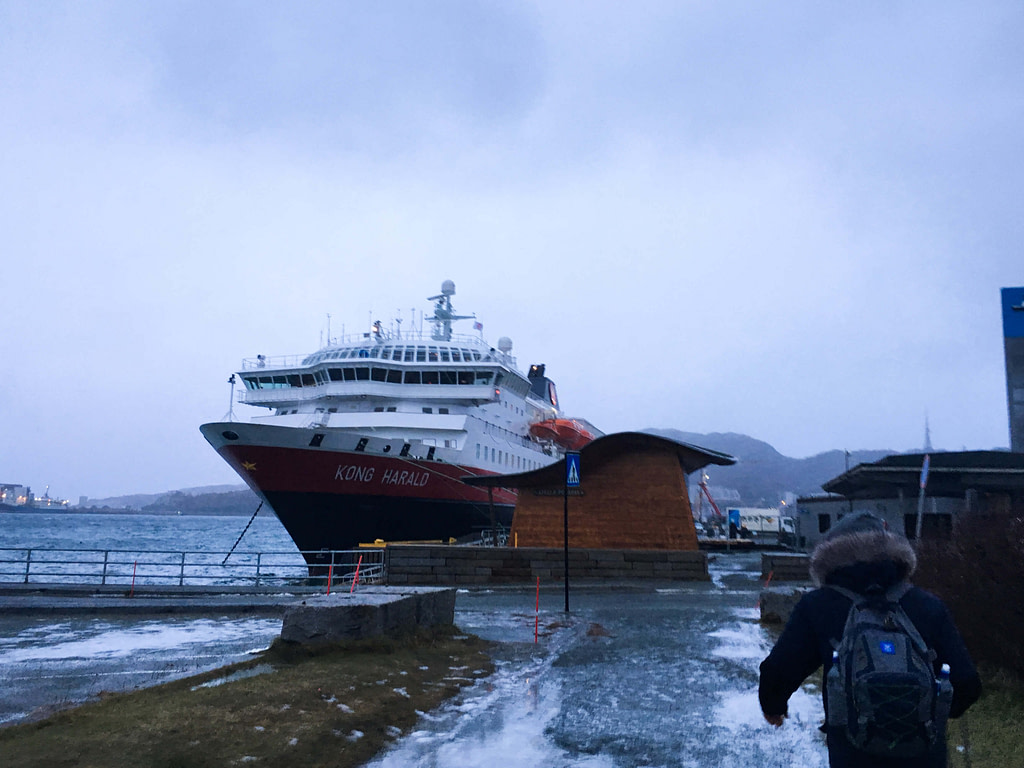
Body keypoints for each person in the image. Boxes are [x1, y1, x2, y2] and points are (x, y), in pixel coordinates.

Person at [758, 511, 981, 767]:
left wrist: (773, 706)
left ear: (830, 555)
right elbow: (967, 683)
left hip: (852, 752)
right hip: (922, 753)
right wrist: (925, 713)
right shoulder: (927, 605)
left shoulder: (818, 605)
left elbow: (779, 669)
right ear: (893, 552)